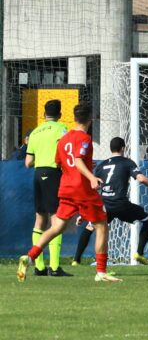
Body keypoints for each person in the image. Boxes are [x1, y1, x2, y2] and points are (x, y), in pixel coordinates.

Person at [17, 103, 122, 283]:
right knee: (102, 225)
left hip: (65, 187)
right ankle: (101, 271)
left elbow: (61, 162)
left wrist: (85, 167)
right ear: (91, 118)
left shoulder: (64, 139)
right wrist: (90, 176)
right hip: (82, 188)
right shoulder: (85, 138)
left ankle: (30, 257)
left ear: (74, 118)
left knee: (57, 226)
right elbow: (78, 160)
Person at [72, 137, 148, 265]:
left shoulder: (102, 165)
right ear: (123, 148)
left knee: (90, 226)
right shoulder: (127, 162)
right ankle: (139, 253)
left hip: (105, 205)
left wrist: (84, 212)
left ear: (110, 149)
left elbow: (94, 187)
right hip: (121, 204)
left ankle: (76, 260)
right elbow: (141, 178)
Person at [24, 100, 71, 277]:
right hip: (53, 174)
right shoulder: (61, 129)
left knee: (39, 220)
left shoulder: (35, 131)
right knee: (56, 220)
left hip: (38, 174)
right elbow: (65, 153)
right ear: (59, 115)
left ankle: (39, 267)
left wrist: (41, 160)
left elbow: (28, 162)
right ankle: (55, 266)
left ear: (44, 115)